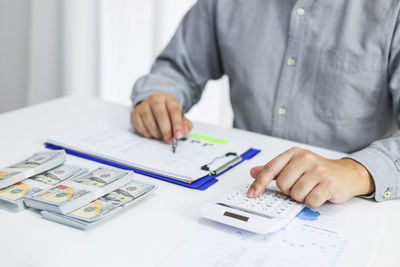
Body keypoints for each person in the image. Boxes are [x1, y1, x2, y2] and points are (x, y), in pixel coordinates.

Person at [130, 0, 400, 208]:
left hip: (345, 205)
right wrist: (160, 95)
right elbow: (178, 69)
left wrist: (358, 171)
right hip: (238, 188)